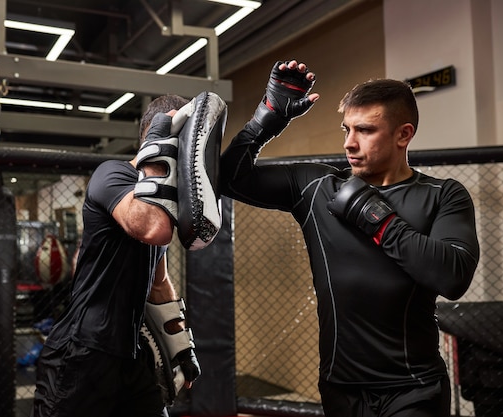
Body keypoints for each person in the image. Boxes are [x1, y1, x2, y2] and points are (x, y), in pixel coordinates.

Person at [220, 60, 480, 417]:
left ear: (403, 134)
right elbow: (229, 179)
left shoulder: (442, 195)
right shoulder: (316, 185)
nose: (349, 143)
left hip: (413, 389)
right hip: (339, 388)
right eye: (346, 129)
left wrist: (373, 217)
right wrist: (265, 120)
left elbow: (452, 277)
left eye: (365, 130)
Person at [33, 94, 201, 417]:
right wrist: (159, 151)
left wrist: (181, 344)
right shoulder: (112, 175)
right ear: (159, 134)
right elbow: (151, 227)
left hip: (130, 354)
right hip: (81, 352)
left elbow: (159, 281)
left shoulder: (164, 202)